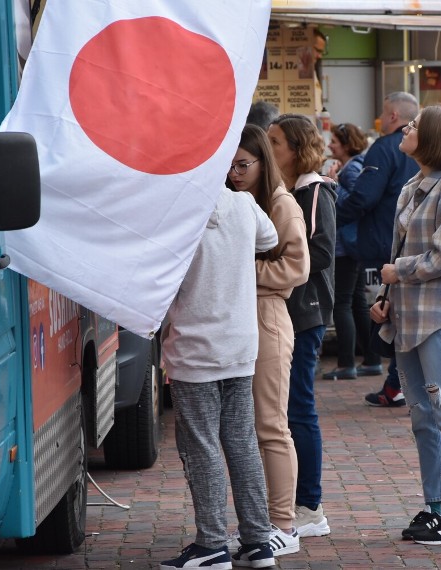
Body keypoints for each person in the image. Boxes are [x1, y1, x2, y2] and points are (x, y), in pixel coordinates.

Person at [371, 105, 441, 545]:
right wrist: (385, 300)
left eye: (415, 125)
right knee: (423, 417)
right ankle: (435, 507)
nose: (406, 128)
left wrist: (398, 273)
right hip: (409, 319)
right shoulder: (413, 185)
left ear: (434, 136)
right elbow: (401, 252)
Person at [159, 186, 278, 570]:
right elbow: (270, 237)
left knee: (201, 446)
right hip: (240, 342)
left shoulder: (177, 206)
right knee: (241, 442)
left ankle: (211, 543)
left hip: (194, 346)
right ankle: (257, 541)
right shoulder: (244, 204)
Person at [226, 124, 310, 558]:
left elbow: (297, 268)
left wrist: (239, 271)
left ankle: (284, 523)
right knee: (242, 429)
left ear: (263, 162)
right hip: (234, 317)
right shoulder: (235, 200)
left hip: (266, 316)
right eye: (230, 164)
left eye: (244, 164)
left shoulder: (281, 203)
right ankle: (260, 522)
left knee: (271, 426)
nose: (236, 172)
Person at [267, 114, 337, 537]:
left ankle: (310, 505)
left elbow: (321, 252)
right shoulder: (291, 191)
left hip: (305, 312)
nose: (268, 150)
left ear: (295, 149)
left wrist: (272, 259)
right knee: (287, 408)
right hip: (292, 311)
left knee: (298, 407)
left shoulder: (313, 191)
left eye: (274, 142)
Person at [337, 91, 420, 407]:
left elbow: (364, 198)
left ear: (394, 117)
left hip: (388, 244)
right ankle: (396, 381)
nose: (381, 119)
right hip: (408, 245)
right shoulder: (423, 155)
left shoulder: (386, 149)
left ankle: (396, 383)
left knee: (393, 313)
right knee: (395, 312)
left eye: (384, 113)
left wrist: (333, 215)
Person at [322, 123, 383, 380]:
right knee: (357, 302)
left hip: (346, 245)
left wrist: (334, 184)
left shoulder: (352, 169)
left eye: (334, 141)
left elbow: (357, 200)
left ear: (346, 144)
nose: (330, 145)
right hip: (351, 244)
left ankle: (346, 363)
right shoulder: (353, 166)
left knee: (342, 303)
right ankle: (372, 359)